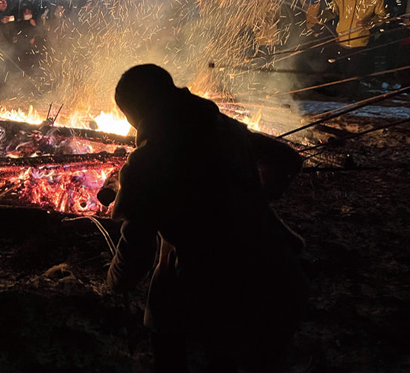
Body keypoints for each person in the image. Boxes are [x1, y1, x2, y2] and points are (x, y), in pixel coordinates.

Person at [104, 64, 308, 373]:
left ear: (135, 113)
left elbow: (136, 247)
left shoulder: (146, 161)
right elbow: (288, 158)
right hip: (276, 262)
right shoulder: (223, 125)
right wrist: (254, 201)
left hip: (218, 272)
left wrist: (114, 283)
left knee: (175, 330)